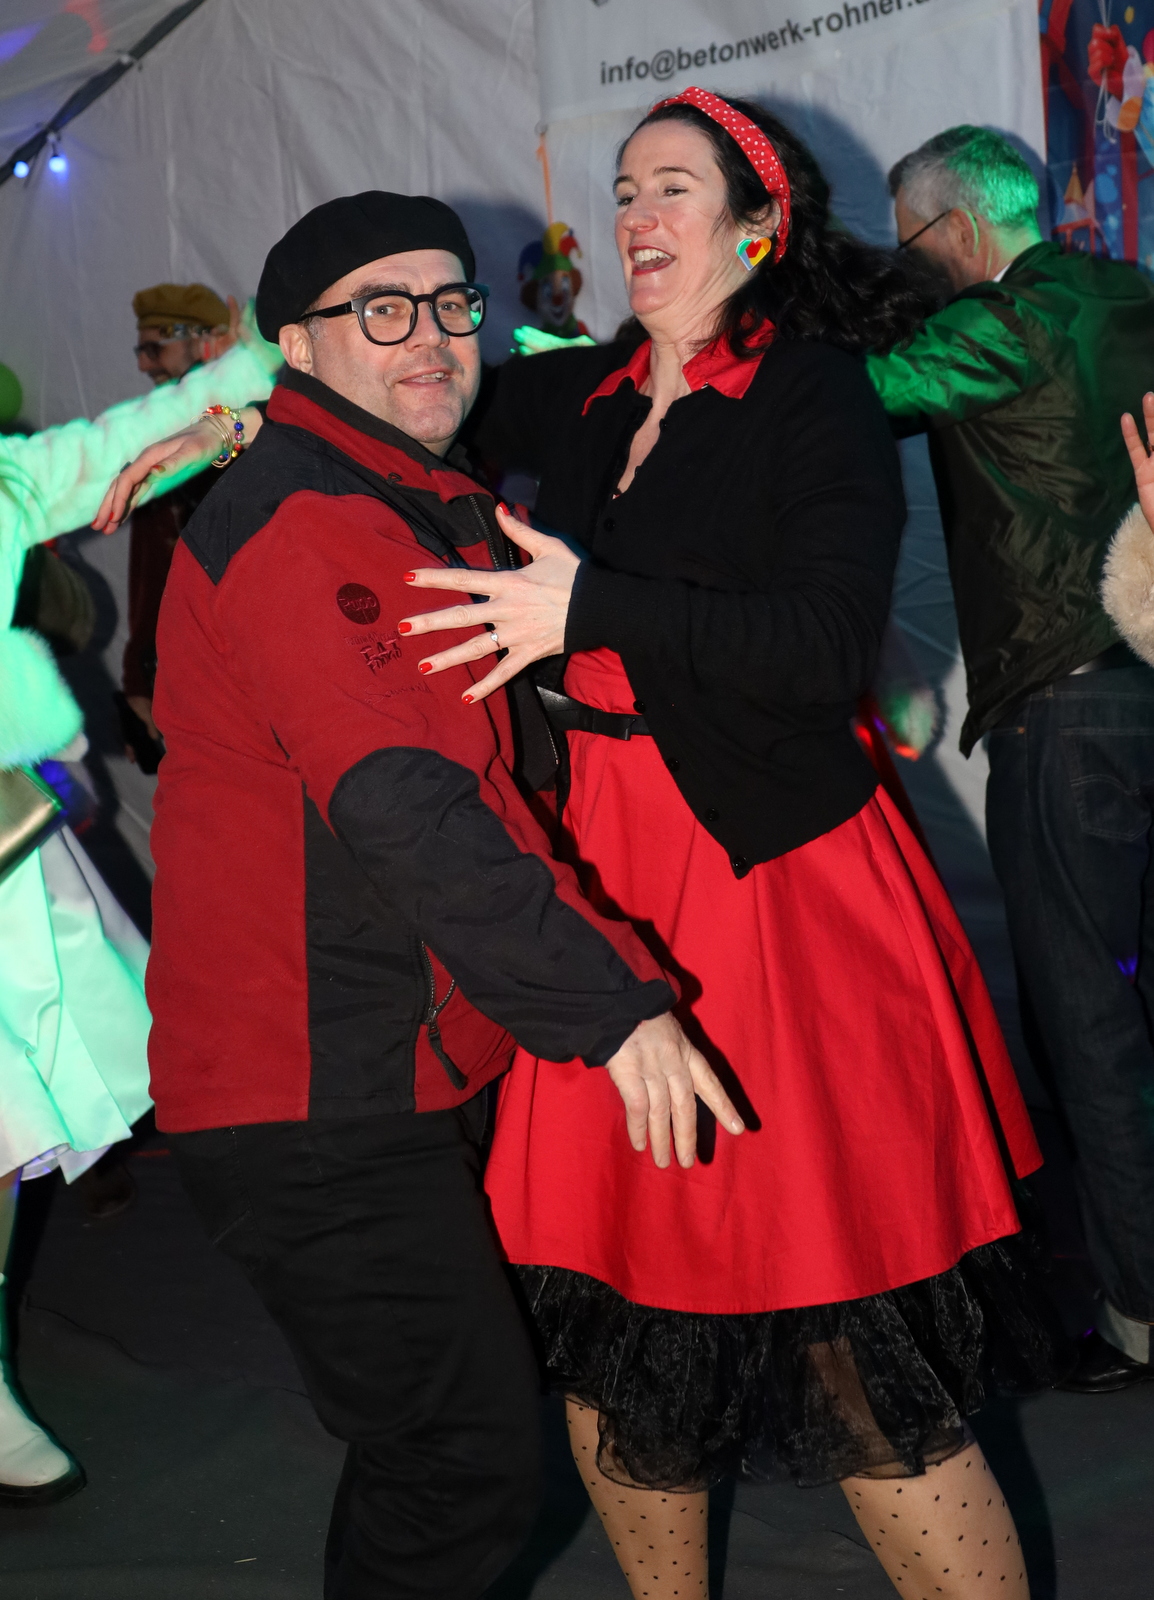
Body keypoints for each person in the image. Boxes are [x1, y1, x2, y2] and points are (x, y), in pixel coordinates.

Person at [401, 91, 1068, 1600]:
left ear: (756, 226)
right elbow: (419, 404)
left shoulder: (810, 393)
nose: (635, 215)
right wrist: (243, 407)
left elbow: (821, 647)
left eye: (672, 188)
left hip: (769, 893)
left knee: (845, 1329)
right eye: (624, 188)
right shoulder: (579, 394)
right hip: (603, 880)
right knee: (606, 1306)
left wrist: (590, 609)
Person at [146, 189, 742, 1600]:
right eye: (381, 309)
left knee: (436, 1449)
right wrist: (611, 1010)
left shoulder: (413, 499)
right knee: (458, 1458)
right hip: (312, 1088)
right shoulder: (308, 521)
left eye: (451, 302)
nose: (429, 335)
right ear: (298, 345)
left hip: (383, 1061)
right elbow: (408, 801)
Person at [865, 125, 1154, 1393]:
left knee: (1089, 1028)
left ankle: (1139, 1317)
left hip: (1066, 709)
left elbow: (855, 397)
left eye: (909, 244)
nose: (907, 265)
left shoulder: (1001, 323)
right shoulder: (1131, 295)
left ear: (961, 228)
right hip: (1144, 681)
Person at [0, 323, 281, 1504]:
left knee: (4, 1128)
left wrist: (259, 359)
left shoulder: (6, 482)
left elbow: (138, 436)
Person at [120, 283, 240, 756]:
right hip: (186, 668)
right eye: (140, 350)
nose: (143, 365)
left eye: (154, 349)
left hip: (238, 666)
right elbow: (150, 571)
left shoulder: (244, 427)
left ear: (205, 343)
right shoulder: (161, 432)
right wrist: (139, 675)